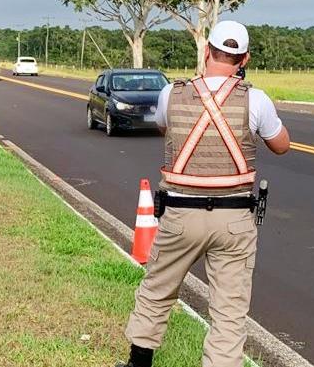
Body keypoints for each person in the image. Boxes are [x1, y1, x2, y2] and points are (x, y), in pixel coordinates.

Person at [117, 21, 290, 367]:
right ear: (245, 59)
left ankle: (139, 363)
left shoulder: (172, 93)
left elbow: (163, 127)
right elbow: (281, 145)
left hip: (180, 214)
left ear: (207, 51)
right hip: (233, 219)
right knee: (229, 310)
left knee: (158, 289)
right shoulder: (255, 99)